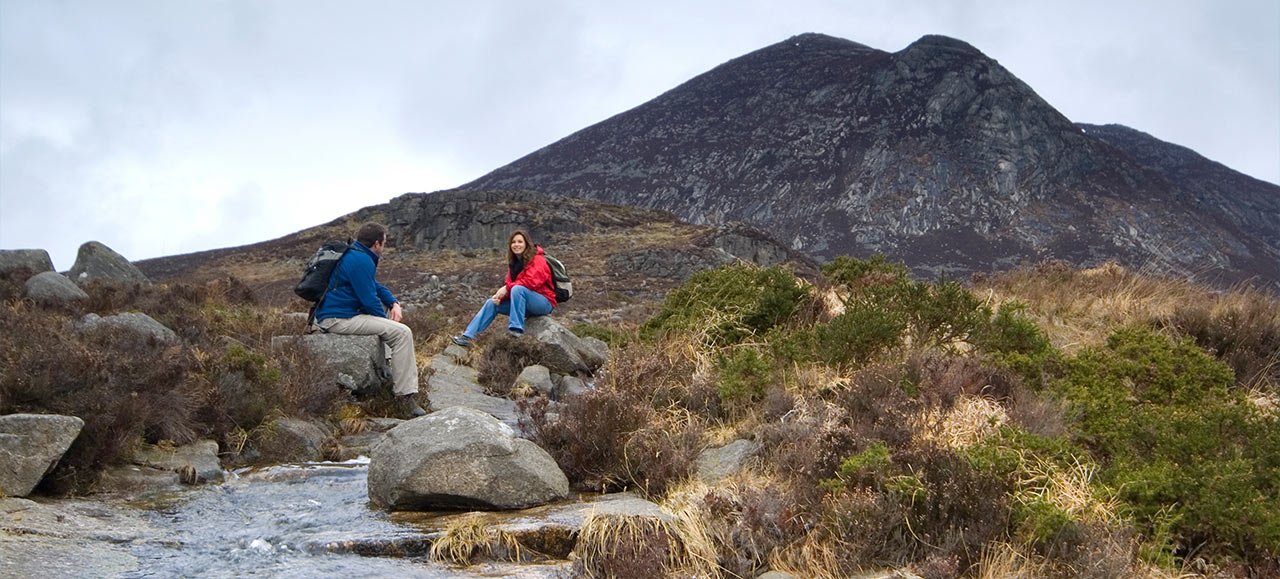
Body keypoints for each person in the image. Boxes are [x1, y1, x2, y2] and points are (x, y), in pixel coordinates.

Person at [314, 222, 425, 418]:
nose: (385, 246)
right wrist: (387, 323)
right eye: (384, 242)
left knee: (385, 316)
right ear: (376, 244)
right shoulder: (361, 260)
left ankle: (386, 365)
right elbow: (369, 300)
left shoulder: (354, 254)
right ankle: (405, 397)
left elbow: (374, 286)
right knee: (402, 333)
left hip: (333, 315)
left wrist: (393, 302)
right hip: (338, 319)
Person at [451, 230, 556, 347]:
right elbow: (511, 287)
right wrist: (500, 298)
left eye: (520, 242)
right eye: (513, 242)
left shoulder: (538, 260)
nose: (516, 244)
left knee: (517, 289)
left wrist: (506, 288)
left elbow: (531, 282)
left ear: (527, 244)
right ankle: (468, 337)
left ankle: (516, 330)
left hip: (544, 303)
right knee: (492, 303)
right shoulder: (514, 264)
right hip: (524, 304)